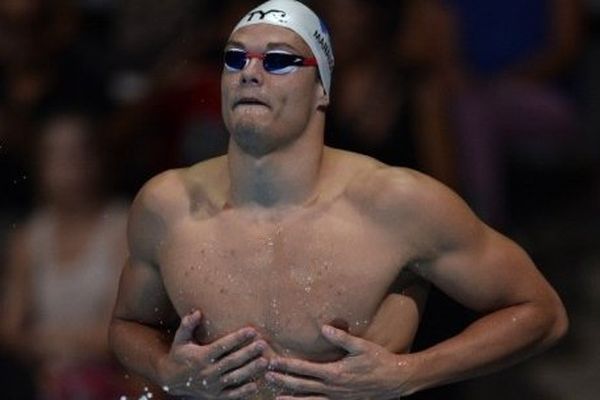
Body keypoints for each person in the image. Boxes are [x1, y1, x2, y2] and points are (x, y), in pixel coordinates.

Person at [109, 1, 569, 399]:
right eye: (234, 59)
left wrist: (407, 374)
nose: (249, 72)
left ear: (322, 89)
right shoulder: (166, 205)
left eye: (278, 61)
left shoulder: (396, 204)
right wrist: (169, 371)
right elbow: (128, 326)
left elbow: (540, 312)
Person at [0, 112, 133, 399]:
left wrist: (41, 341)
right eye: (56, 155)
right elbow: (9, 329)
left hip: (112, 383)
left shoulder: (123, 226)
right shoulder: (27, 237)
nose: (70, 167)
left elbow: (118, 335)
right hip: (42, 382)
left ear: (99, 157)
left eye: (79, 153)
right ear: (39, 164)